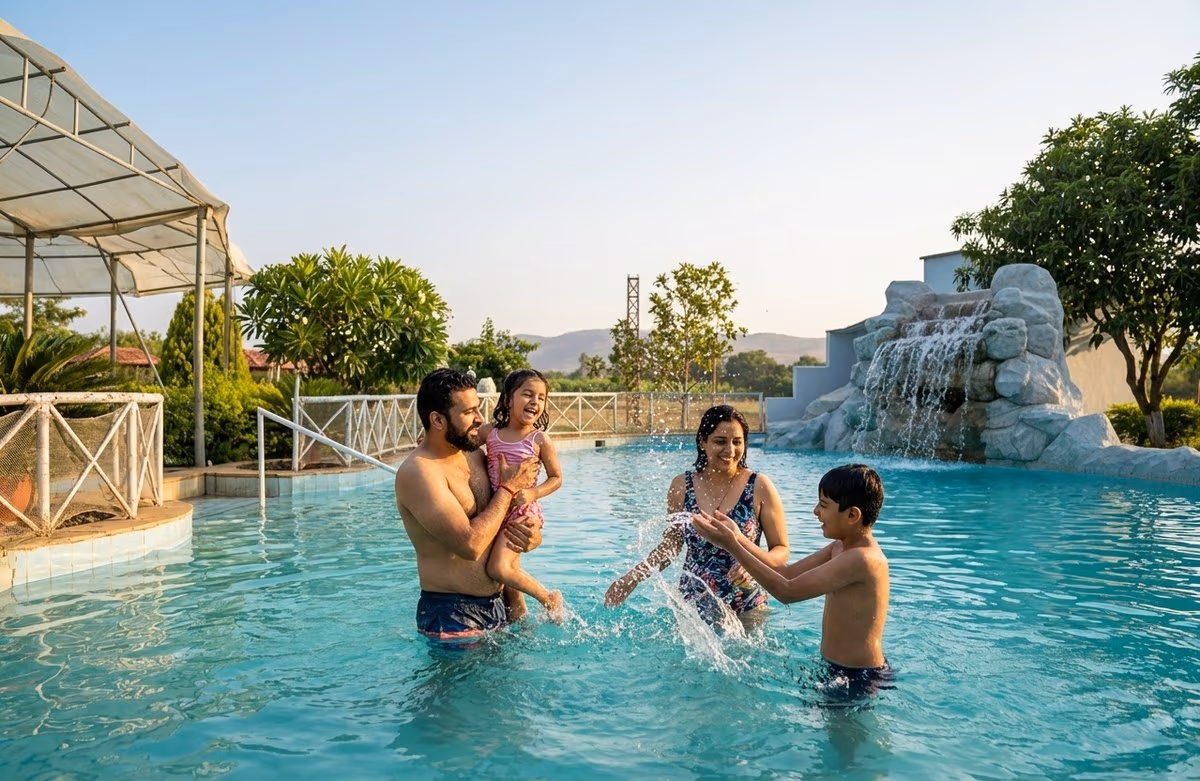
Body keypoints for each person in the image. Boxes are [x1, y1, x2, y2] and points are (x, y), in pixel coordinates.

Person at [692, 463, 892, 697]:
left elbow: (786, 591)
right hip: (836, 669)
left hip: (859, 676)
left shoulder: (863, 559)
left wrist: (731, 545)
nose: (815, 511)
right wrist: (738, 538)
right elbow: (786, 573)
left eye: (824, 505)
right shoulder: (841, 547)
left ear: (852, 515)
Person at [394, 368, 543, 644]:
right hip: (452, 617)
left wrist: (531, 536)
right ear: (437, 420)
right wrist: (509, 488)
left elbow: (500, 520)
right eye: (468, 412)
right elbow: (470, 545)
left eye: (478, 409)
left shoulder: (474, 454)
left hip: (499, 606)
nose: (479, 419)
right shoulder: (420, 473)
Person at [604, 404, 789, 625]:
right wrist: (631, 579)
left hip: (746, 605)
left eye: (737, 442)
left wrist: (753, 566)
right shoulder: (682, 485)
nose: (730, 450)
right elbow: (671, 545)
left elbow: (781, 549)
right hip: (691, 608)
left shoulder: (759, 486)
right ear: (703, 441)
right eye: (720, 441)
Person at [479, 368, 564, 621]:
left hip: (523, 512)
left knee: (499, 568)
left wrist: (532, 493)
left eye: (541, 397)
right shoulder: (491, 433)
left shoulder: (538, 439)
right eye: (527, 394)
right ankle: (520, 624)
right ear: (507, 399)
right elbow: (461, 442)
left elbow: (557, 478)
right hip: (498, 508)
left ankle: (549, 598)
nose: (535, 402)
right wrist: (429, 438)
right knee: (510, 577)